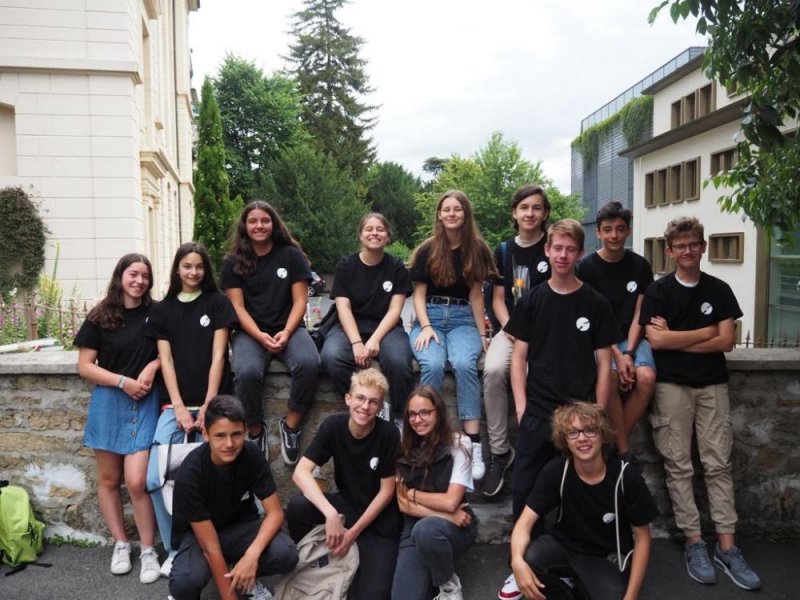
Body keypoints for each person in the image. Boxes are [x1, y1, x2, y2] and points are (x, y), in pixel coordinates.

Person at [499, 219, 620, 600]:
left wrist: (597, 416)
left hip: (581, 418)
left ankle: (573, 565)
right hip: (539, 413)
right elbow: (519, 359)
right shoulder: (533, 300)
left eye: (570, 249)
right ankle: (523, 566)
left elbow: (604, 364)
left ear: (579, 253)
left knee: (581, 494)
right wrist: (522, 408)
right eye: (557, 248)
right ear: (547, 251)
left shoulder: (595, 303)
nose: (563, 255)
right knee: (526, 491)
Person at [639, 216, 761, 591]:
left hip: (712, 386)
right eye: (681, 246)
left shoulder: (719, 290)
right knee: (679, 466)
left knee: (718, 464)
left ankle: (727, 546)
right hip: (671, 387)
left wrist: (677, 337)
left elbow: (726, 341)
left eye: (694, 244)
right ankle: (694, 542)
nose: (688, 250)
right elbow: (656, 342)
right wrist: (705, 332)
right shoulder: (658, 291)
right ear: (669, 251)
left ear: (704, 247)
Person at [144, 242, 238, 576]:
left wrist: (209, 404)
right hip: (175, 407)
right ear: (177, 269)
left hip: (214, 405)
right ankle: (174, 549)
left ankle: (207, 547)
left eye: (199, 266)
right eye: (187, 266)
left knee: (207, 481)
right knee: (155, 477)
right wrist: (180, 407)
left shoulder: (218, 304)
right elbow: (166, 361)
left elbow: (218, 356)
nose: (193, 272)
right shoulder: (163, 310)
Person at [510, 402, 657, 600]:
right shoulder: (557, 470)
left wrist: (631, 597)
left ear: (602, 434)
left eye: (590, 430)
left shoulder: (626, 477)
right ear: (565, 440)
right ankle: (565, 594)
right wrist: (516, 561)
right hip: (565, 546)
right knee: (529, 559)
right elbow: (525, 522)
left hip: (604, 556)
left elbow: (642, 538)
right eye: (573, 432)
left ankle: (585, 586)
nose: (582, 438)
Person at [74, 253, 162, 584]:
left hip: (145, 401)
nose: (139, 281)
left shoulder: (157, 313)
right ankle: (121, 544)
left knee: (137, 481)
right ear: (120, 276)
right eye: (133, 274)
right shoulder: (100, 315)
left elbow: (172, 352)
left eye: (145, 276)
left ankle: (149, 550)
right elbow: (85, 366)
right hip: (110, 400)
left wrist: (153, 365)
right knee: (110, 479)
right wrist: (123, 381)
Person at [168, 395, 298, 600]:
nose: (229, 444)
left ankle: (243, 575)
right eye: (220, 435)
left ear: (245, 431)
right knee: (185, 583)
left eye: (236, 434)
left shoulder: (252, 455)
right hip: (200, 537)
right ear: (206, 434)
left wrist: (251, 556)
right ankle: (231, 577)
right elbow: (210, 547)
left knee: (286, 553)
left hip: (241, 529)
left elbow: (275, 513)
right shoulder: (190, 474)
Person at [287, 368, 402, 599]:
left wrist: (352, 534)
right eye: (360, 398)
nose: (365, 406)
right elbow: (300, 473)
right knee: (298, 507)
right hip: (346, 505)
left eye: (373, 402)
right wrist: (330, 514)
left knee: (373, 595)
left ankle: (357, 558)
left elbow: (387, 491)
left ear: (380, 408)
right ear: (348, 398)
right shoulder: (333, 426)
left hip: (379, 520)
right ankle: (316, 559)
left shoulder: (389, 434)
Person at [220, 200, 319, 466]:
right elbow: (237, 307)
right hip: (250, 331)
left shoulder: (291, 255)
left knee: (309, 363)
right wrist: (259, 335)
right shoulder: (233, 262)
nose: (259, 226)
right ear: (245, 226)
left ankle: (291, 426)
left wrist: (286, 332)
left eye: (265, 220)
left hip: (289, 327)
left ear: (274, 224)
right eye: (253, 221)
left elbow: (300, 301)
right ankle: (255, 431)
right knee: (246, 373)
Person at [409, 190, 495, 481]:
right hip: (430, 316)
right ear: (439, 214)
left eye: (457, 209)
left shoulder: (477, 249)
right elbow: (418, 295)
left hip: (462, 319)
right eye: (446, 209)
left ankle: (473, 445)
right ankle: (428, 439)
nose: (451, 214)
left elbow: (476, 295)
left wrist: (482, 333)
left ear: (466, 214)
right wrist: (426, 326)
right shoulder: (428, 249)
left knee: (464, 363)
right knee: (432, 364)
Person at [482, 184, 552, 497]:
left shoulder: (553, 246)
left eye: (536, 207)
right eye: (524, 207)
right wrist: (512, 327)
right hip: (511, 330)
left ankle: (539, 448)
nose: (530, 213)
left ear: (545, 213)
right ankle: (500, 452)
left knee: (539, 375)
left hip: (548, 333)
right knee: (494, 369)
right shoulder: (504, 250)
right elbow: (497, 298)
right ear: (514, 212)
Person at [576, 201, 655, 456]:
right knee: (608, 377)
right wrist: (618, 357)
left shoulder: (640, 266)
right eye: (608, 229)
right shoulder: (586, 268)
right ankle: (623, 451)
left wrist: (629, 353)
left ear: (628, 231)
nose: (614, 235)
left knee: (646, 378)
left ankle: (610, 442)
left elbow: (639, 315)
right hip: (600, 340)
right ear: (598, 232)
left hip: (632, 338)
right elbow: (591, 320)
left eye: (620, 229)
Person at [321, 213, 414, 422]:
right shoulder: (346, 265)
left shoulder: (397, 268)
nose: (374, 233)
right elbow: (343, 307)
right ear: (360, 235)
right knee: (332, 357)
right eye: (369, 229)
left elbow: (395, 310)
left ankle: (400, 417)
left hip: (386, 327)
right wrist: (356, 342)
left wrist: (374, 339)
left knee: (399, 362)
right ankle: (369, 406)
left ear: (387, 236)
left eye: (380, 229)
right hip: (348, 326)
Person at [391, 385, 477, 600]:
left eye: (425, 412)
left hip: (456, 527)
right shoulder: (403, 446)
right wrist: (447, 515)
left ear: (438, 412)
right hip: (423, 524)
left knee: (427, 531)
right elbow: (403, 505)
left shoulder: (459, 444)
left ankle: (449, 586)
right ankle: (433, 569)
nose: (417, 419)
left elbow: (451, 502)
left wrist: (413, 494)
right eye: (412, 414)